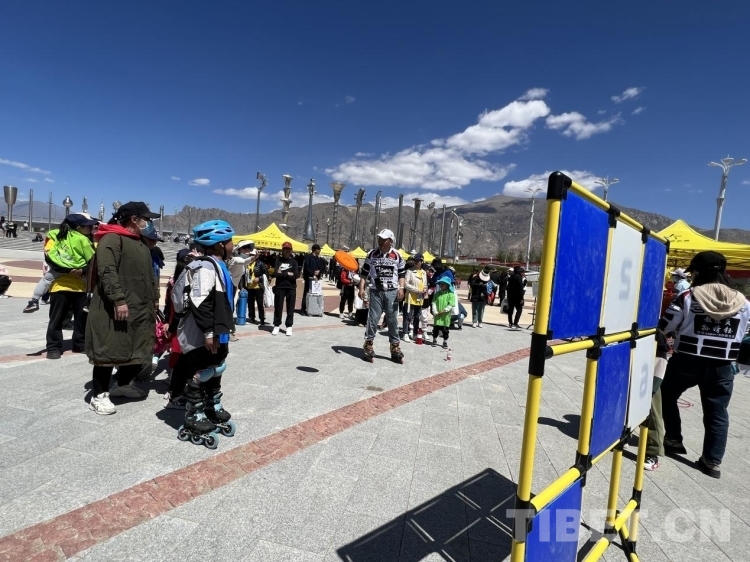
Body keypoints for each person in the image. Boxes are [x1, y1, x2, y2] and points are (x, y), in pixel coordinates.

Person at [660, 251, 750, 479]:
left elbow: (665, 326)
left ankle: (673, 439)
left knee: (665, 395)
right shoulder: (744, 302)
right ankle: (712, 462)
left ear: (698, 272)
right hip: (723, 365)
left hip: (687, 361)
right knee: (717, 413)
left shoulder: (687, 297)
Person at [85, 202, 160, 415]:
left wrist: (155, 299)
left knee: (139, 346)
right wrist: (118, 300)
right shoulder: (112, 239)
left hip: (140, 307)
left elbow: (150, 276)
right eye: (147, 219)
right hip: (114, 307)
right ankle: (99, 395)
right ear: (134, 219)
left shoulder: (140, 243)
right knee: (109, 350)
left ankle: (123, 384)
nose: (149, 223)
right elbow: (107, 271)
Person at [171, 220, 236, 441]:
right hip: (201, 333)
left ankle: (211, 404)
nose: (233, 245)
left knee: (216, 368)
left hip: (219, 331)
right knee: (200, 372)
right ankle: (194, 413)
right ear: (219, 245)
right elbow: (200, 302)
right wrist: (209, 332)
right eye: (229, 241)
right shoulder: (204, 267)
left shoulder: (219, 265)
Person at [23, 214, 98, 313]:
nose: (91, 228)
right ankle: (88, 302)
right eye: (88, 226)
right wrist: (84, 270)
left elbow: (50, 236)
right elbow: (92, 259)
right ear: (79, 227)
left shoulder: (59, 233)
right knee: (90, 283)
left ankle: (34, 301)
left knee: (46, 280)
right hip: (77, 267)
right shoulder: (83, 239)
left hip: (59, 266)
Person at [359, 229, 406, 362]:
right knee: (373, 318)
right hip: (376, 291)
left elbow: (402, 274)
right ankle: (368, 344)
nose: (380, 241)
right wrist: (361, 288)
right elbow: (364, 272)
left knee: (392, 320)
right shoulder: (372, 254)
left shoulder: (397, 255)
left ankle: (395, 347)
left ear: (390, 241)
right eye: (379, 238)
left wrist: (401, 288)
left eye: (383, 239)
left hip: (392, 292)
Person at [644, 331, 669, 471]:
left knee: (653, 411)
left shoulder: (654, 330)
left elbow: (661, 356)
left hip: (650, 372)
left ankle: (653, 451)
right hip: (627, 366)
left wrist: (655, 382)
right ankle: (623, 437)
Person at [272, 241, 299, 336]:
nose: (287, 251)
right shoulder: (278, 261)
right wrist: (287, 273)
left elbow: (295, 275)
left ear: (291, 250)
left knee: (290, 308)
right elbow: (276, 274)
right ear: (282, 250)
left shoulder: (294, 262)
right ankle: (276, 325)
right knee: (278, 307)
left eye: (288, 249)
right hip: (280, 286)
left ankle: (289, 326)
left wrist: (282, 273)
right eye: (285, 249)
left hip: (291, 287)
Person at [402, 254, 427, 342]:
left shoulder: (423, 272)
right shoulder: (409, 271)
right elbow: (406, 284)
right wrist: (417, 290)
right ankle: (405, 333)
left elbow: (425, 284)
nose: (416, 262)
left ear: (422, 262)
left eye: (418, 261)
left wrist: (424, 289)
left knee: (417, 316)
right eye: (415, 261)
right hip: (410, 297)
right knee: (408, 316)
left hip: (420, 298)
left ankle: (415, 334)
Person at [430, 275, 455, 348]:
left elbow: (451, 304)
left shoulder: (450, 294)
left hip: (445, 316)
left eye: (443, 284)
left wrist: (444, 310)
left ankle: (445, 341)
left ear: (447, 285)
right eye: (440, 284)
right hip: (437, 315)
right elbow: (433, 302)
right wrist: (435, 311)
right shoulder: (437, 294)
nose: (441, 285)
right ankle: (434, 339)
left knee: (445, 329)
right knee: (436, 328)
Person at [301, 244, 326, 315]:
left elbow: (322, 267)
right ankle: (303, 309)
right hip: (309, 278)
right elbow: (306, 267)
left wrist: (319, 271)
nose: (320, 251)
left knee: (315, 294)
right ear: (315, 250)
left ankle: (313, 309)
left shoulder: (319, 259)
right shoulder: (308, 257)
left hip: (316, 280)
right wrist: (312, 274)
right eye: (319, 249)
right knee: (307, 293)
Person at [246, 249, 268, 326]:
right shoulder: (246, 263)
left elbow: (266, 274)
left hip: (258, 287)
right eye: (250, 255)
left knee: (260, 304)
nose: (251, 256)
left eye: (253, 255)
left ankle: (262, 319)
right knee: (250, 303)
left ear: (256, 256)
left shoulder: (260, 263)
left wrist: (259, 278)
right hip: (249, 286)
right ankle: (251, 317)